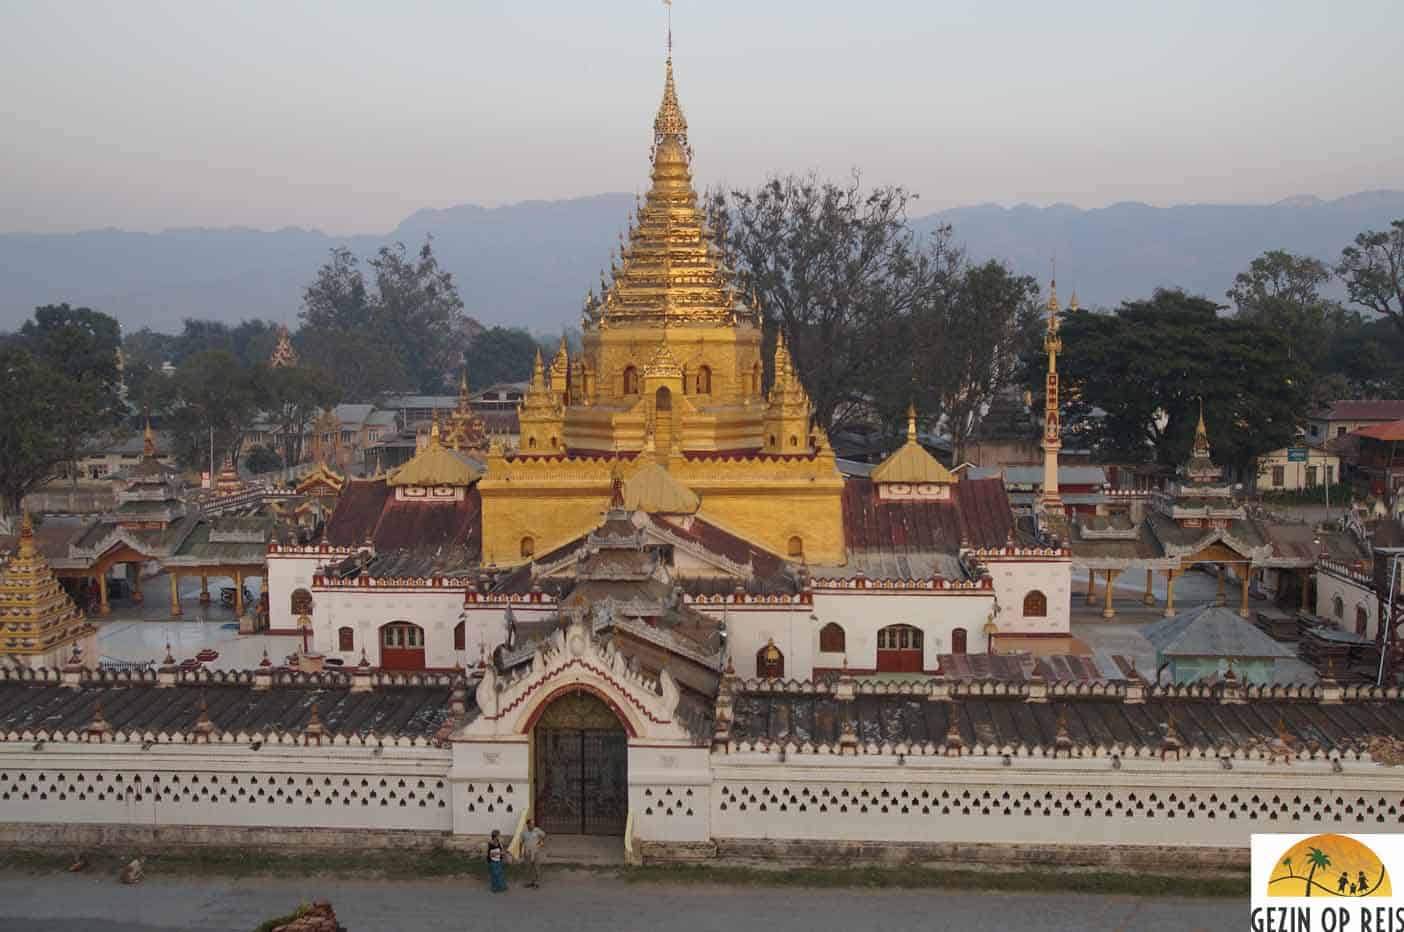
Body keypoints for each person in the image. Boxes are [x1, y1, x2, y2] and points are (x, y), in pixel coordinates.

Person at [522, 818, 547, 888]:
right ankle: (529, 882)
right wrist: (522, 851)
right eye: (531, 824)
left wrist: (541, 842)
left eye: (533, 824)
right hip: (527, 852)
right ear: (527, 824)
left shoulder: (537, 830)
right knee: (528, 867)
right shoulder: (524, 832)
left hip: (535, 852)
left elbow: (544, 835)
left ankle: (537, 882)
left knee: (536, 867)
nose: (532, 825)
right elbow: (522, 841)